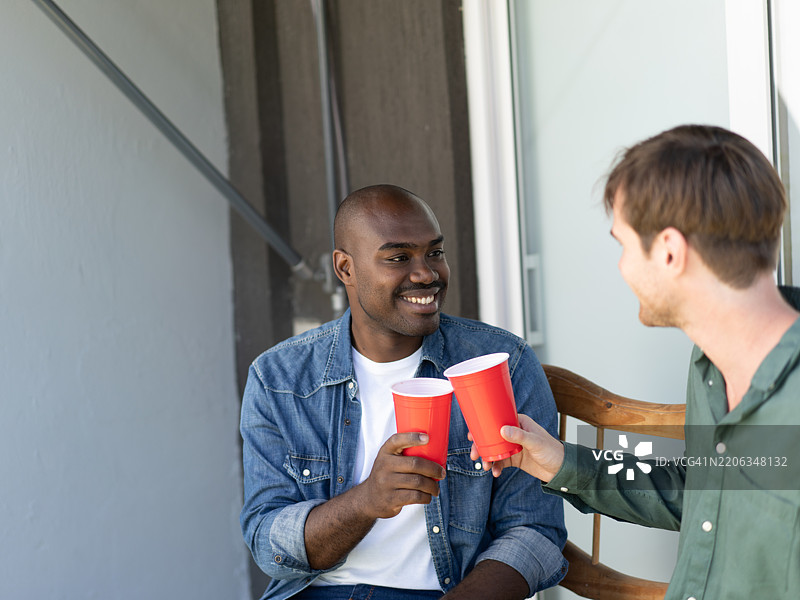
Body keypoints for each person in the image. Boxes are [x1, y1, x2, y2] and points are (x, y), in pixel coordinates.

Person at [480, 124, 800, 599]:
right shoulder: (710, 366)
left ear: (669, 252)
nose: (622, 266)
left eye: (624, 244)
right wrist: (561, 462)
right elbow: (702, 493)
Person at [240, 184, 567, 600]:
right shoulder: (280, 378)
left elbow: (534, 530)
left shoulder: (503, 363)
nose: (426, 274)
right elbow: (267, 542)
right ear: (345, 269)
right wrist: (367, 501)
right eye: (398, 258)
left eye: (434, 252)